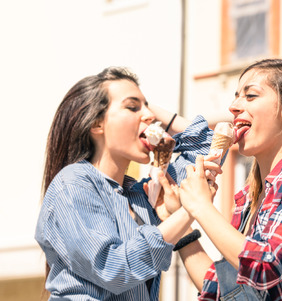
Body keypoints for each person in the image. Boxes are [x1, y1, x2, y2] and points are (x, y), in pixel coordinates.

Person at [34, 66, 221, 300]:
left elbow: (209, 144)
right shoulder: (73, 184)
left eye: (147, 106)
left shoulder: (144, 195)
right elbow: (114, 269)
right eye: (132, 107)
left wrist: (150, 115)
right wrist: (189, 211)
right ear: (96, 123)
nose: (150, 115)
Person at [175, 59, 282, 300]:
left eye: (250, 96)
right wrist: (178, 221)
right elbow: (222, 291)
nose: (234, 106)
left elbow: (266, 265)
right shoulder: (249, 199)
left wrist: (202, 207)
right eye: (236, 96)